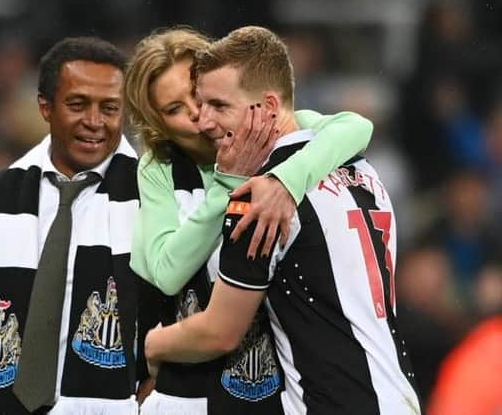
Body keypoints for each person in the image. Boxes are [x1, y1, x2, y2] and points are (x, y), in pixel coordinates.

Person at [144, 26, 422, 415]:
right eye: (198, 105)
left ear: (269, 108)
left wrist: (154, 344)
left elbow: (220, 332)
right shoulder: (360, 167)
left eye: (219, 106)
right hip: (399, 396)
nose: (204, 122)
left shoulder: (260, 202)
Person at [0, 37, 147, 415]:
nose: (95, 122)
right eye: (78, 104)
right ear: (45, 107)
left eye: (110, 108)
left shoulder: (150, 201)